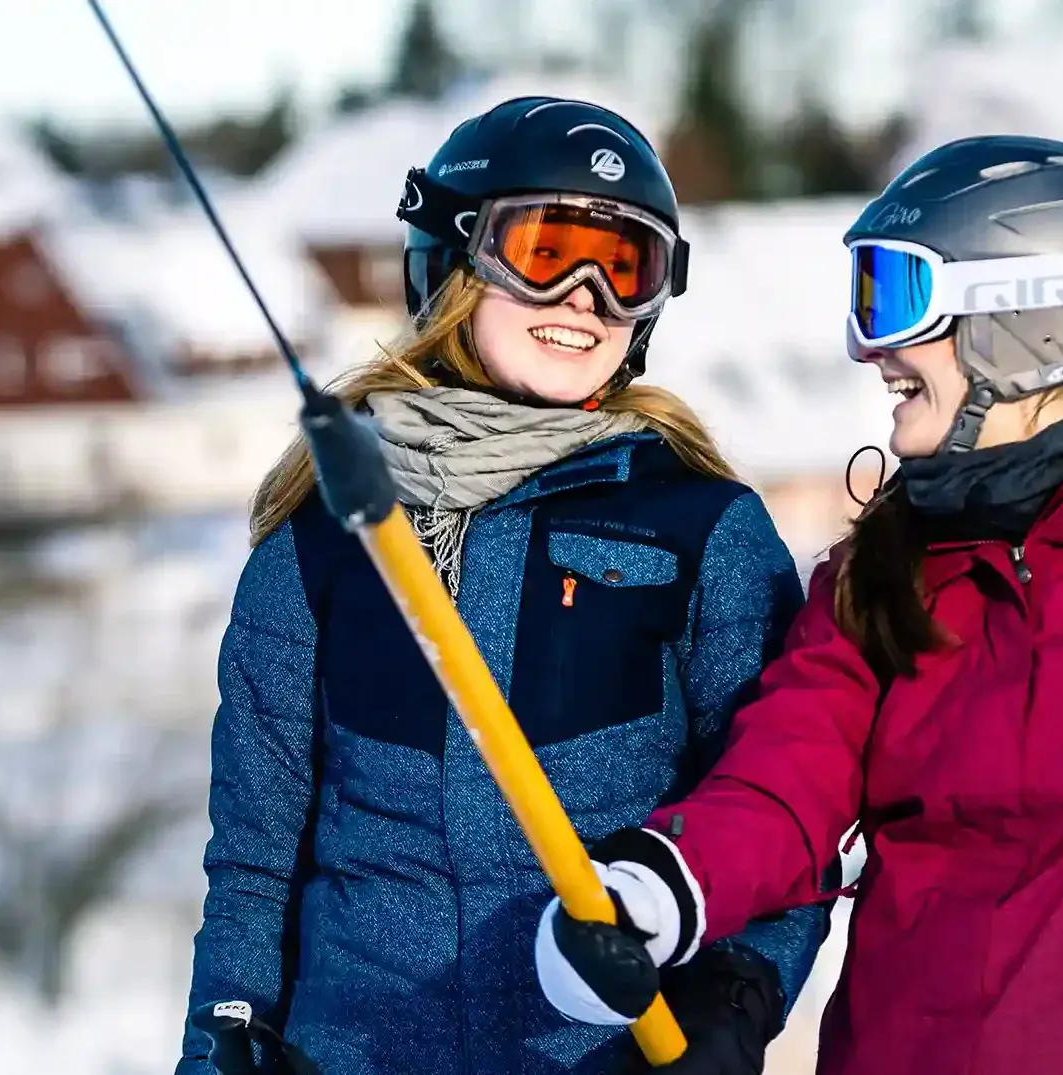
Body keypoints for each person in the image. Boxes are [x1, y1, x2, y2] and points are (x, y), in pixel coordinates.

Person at [534, 136, 1063, 1075]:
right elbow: (783, 786)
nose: (873, 348)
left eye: (895, 298)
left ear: (1030, 327)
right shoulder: (881, 576)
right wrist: (665, 884)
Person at [176, 96, 827, 1075]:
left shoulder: (704, 531)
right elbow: (257, 856)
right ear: (451, 261)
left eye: (625, 266)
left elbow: (779, 810)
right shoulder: (327, 540)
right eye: (547, 248)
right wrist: (225, 1036)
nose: (583, 296)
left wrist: (732, 1000)